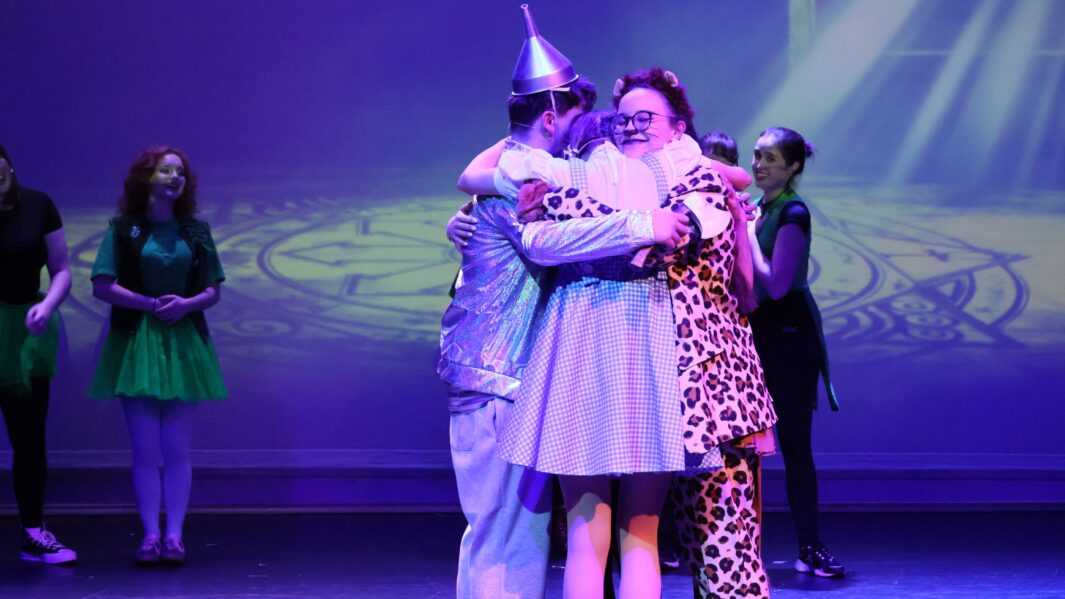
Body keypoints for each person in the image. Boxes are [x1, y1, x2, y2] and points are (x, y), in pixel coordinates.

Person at [440, 8, 690, 598]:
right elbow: (544, 240)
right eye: (577, 127)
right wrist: (643, 223)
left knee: (512, 533)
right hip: (497, 377)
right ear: (550, 119)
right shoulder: (526, 179)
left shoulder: (519, 175)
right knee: (505, 534)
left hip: (507, 378)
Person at [90, 147, 227, 565]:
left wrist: (185, 305)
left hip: (183, 341)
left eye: (180, 172)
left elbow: (212, 288)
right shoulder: (123, 229)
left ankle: (175, 536)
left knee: (178, 448)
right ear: (146, 176)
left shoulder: (196, 232)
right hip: (136, 342)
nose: (174, 177)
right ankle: (150, 534)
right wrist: (150, 304)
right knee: (146, 448)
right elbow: (102, 284)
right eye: (166, 170)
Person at [745, 127, 844, 578]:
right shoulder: (761, 208)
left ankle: (811, 546)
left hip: (788, 339)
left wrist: (746, 236)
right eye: (756, 155)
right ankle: (735, 550)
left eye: (769, 158)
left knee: (795, 448)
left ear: (793, 167)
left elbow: (777, 283)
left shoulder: (793, 212)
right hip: (758, 336)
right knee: (742, 449)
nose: (758, 164)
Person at [0, 144, 77, 565]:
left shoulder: (38, 205)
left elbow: (62, 267)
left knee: (29, 439)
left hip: (25, 330)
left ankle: (34, 532)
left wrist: (47, 306)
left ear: (9, 166)